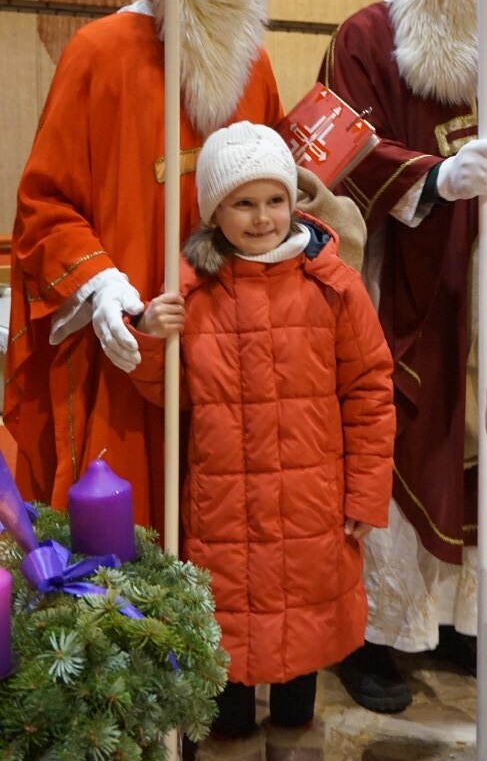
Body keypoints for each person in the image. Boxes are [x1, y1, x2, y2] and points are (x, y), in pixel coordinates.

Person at [3, 0, 283, 533]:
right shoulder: (98, 52)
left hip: (232, 352)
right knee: (128, 543)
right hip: (127, 347)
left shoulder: (255, 66)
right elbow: (43, 206)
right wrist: (100, 287)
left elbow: (279, 192)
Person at [318, 0, 487, 711]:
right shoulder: (361, 37)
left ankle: (457, 621)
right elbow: (327, 152)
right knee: (385, 438)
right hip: (388, 279)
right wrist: (432, 178)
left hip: (470, 285)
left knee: (475, 435)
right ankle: (371, 637)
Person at [129, 121, 396, 758]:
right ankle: (231, 742)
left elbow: (370, 390)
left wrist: (366, 493)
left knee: (305, 638)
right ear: (213, 211)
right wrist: (151, 339)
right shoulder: (193, 292)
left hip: (313, 507)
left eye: (275, 199)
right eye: (243, 202)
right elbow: (170, 398)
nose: (262, 217)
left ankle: (295, 741)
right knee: (227, 643)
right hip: (226, 512)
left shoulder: (333, 286)